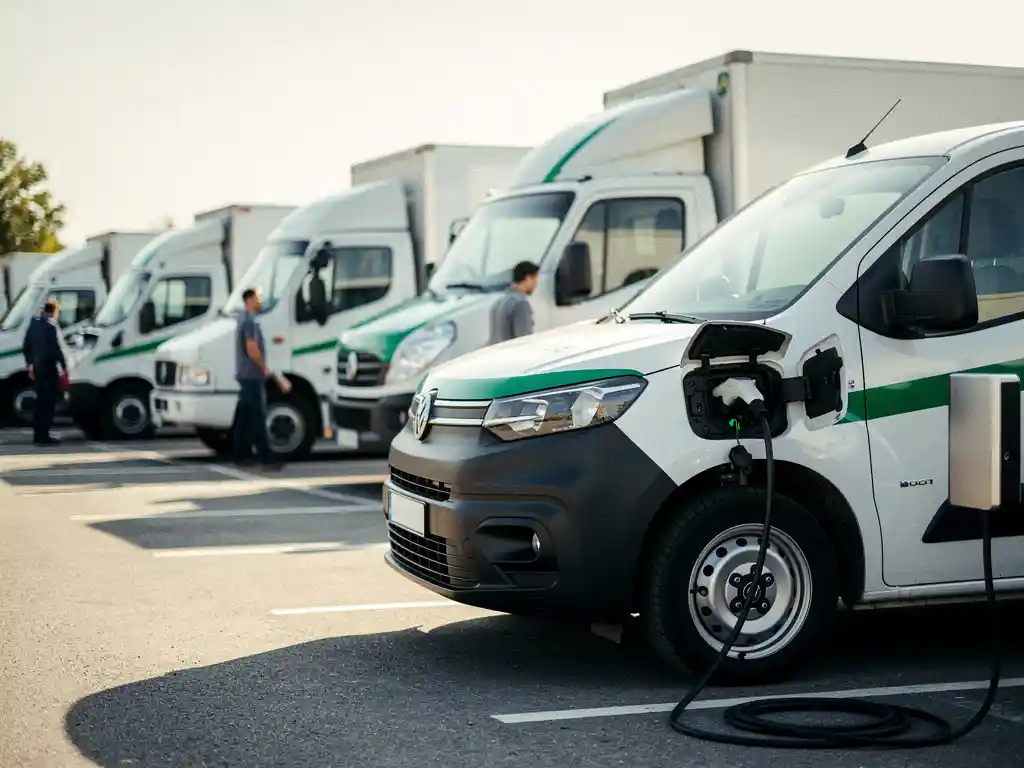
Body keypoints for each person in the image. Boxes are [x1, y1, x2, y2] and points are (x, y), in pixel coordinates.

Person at [232, 287, 284, 470]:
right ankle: (266, 458)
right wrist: (264, 367)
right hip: (252, 375)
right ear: (250, 299)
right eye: (258, 297)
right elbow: (252, 349)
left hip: (244, 374)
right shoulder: (250, 322)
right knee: (257, 417)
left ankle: (240, 454)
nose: (260, 300)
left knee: (243, 418)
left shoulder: (241, 319)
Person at [22, 300, 66, 446]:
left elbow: (26, 346)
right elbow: (55, 349)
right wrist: (64, 365)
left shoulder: (33, 325)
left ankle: (37, 435)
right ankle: (44, 436)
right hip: (49, 368)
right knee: (48, 404)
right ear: (54, 311)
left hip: (37, 369)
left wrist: (30, 364)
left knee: (40, 403)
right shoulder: (51, 326)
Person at [488, 260, 539, 344]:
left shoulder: (498, 302)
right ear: (528, 278)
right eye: (535, 281)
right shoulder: (521, 304)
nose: (536, 286)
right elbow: (524, 340)